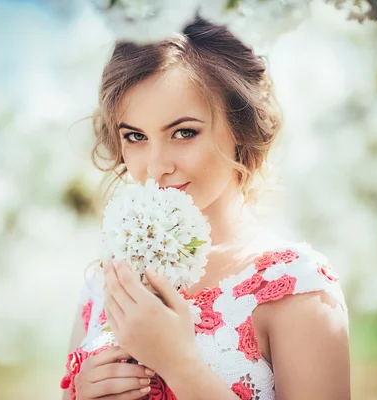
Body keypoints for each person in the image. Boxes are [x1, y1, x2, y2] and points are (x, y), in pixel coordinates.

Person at [61, 16, 350, 400]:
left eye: (183, 132)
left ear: (240, 125)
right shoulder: (106, 281)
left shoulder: (296, 286)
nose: (156, 165)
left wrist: (179, 364)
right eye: (135, 136)